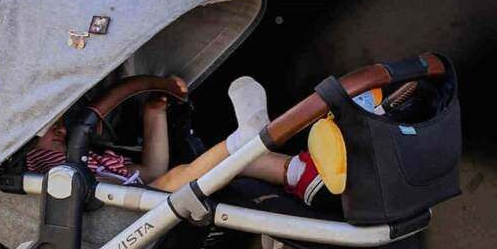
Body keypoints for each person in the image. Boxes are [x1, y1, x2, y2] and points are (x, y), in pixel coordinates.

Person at [25, 76, 339, 207]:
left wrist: (154, 113)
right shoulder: (40, 168)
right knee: (181, 177)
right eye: (48, 130)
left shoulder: (96, 159)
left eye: (59, 126)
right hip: (118, 218)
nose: (60, 131)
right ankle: (243, 139)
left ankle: (300, 173)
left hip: (144, 195)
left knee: (220, 168)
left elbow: (150, 169)